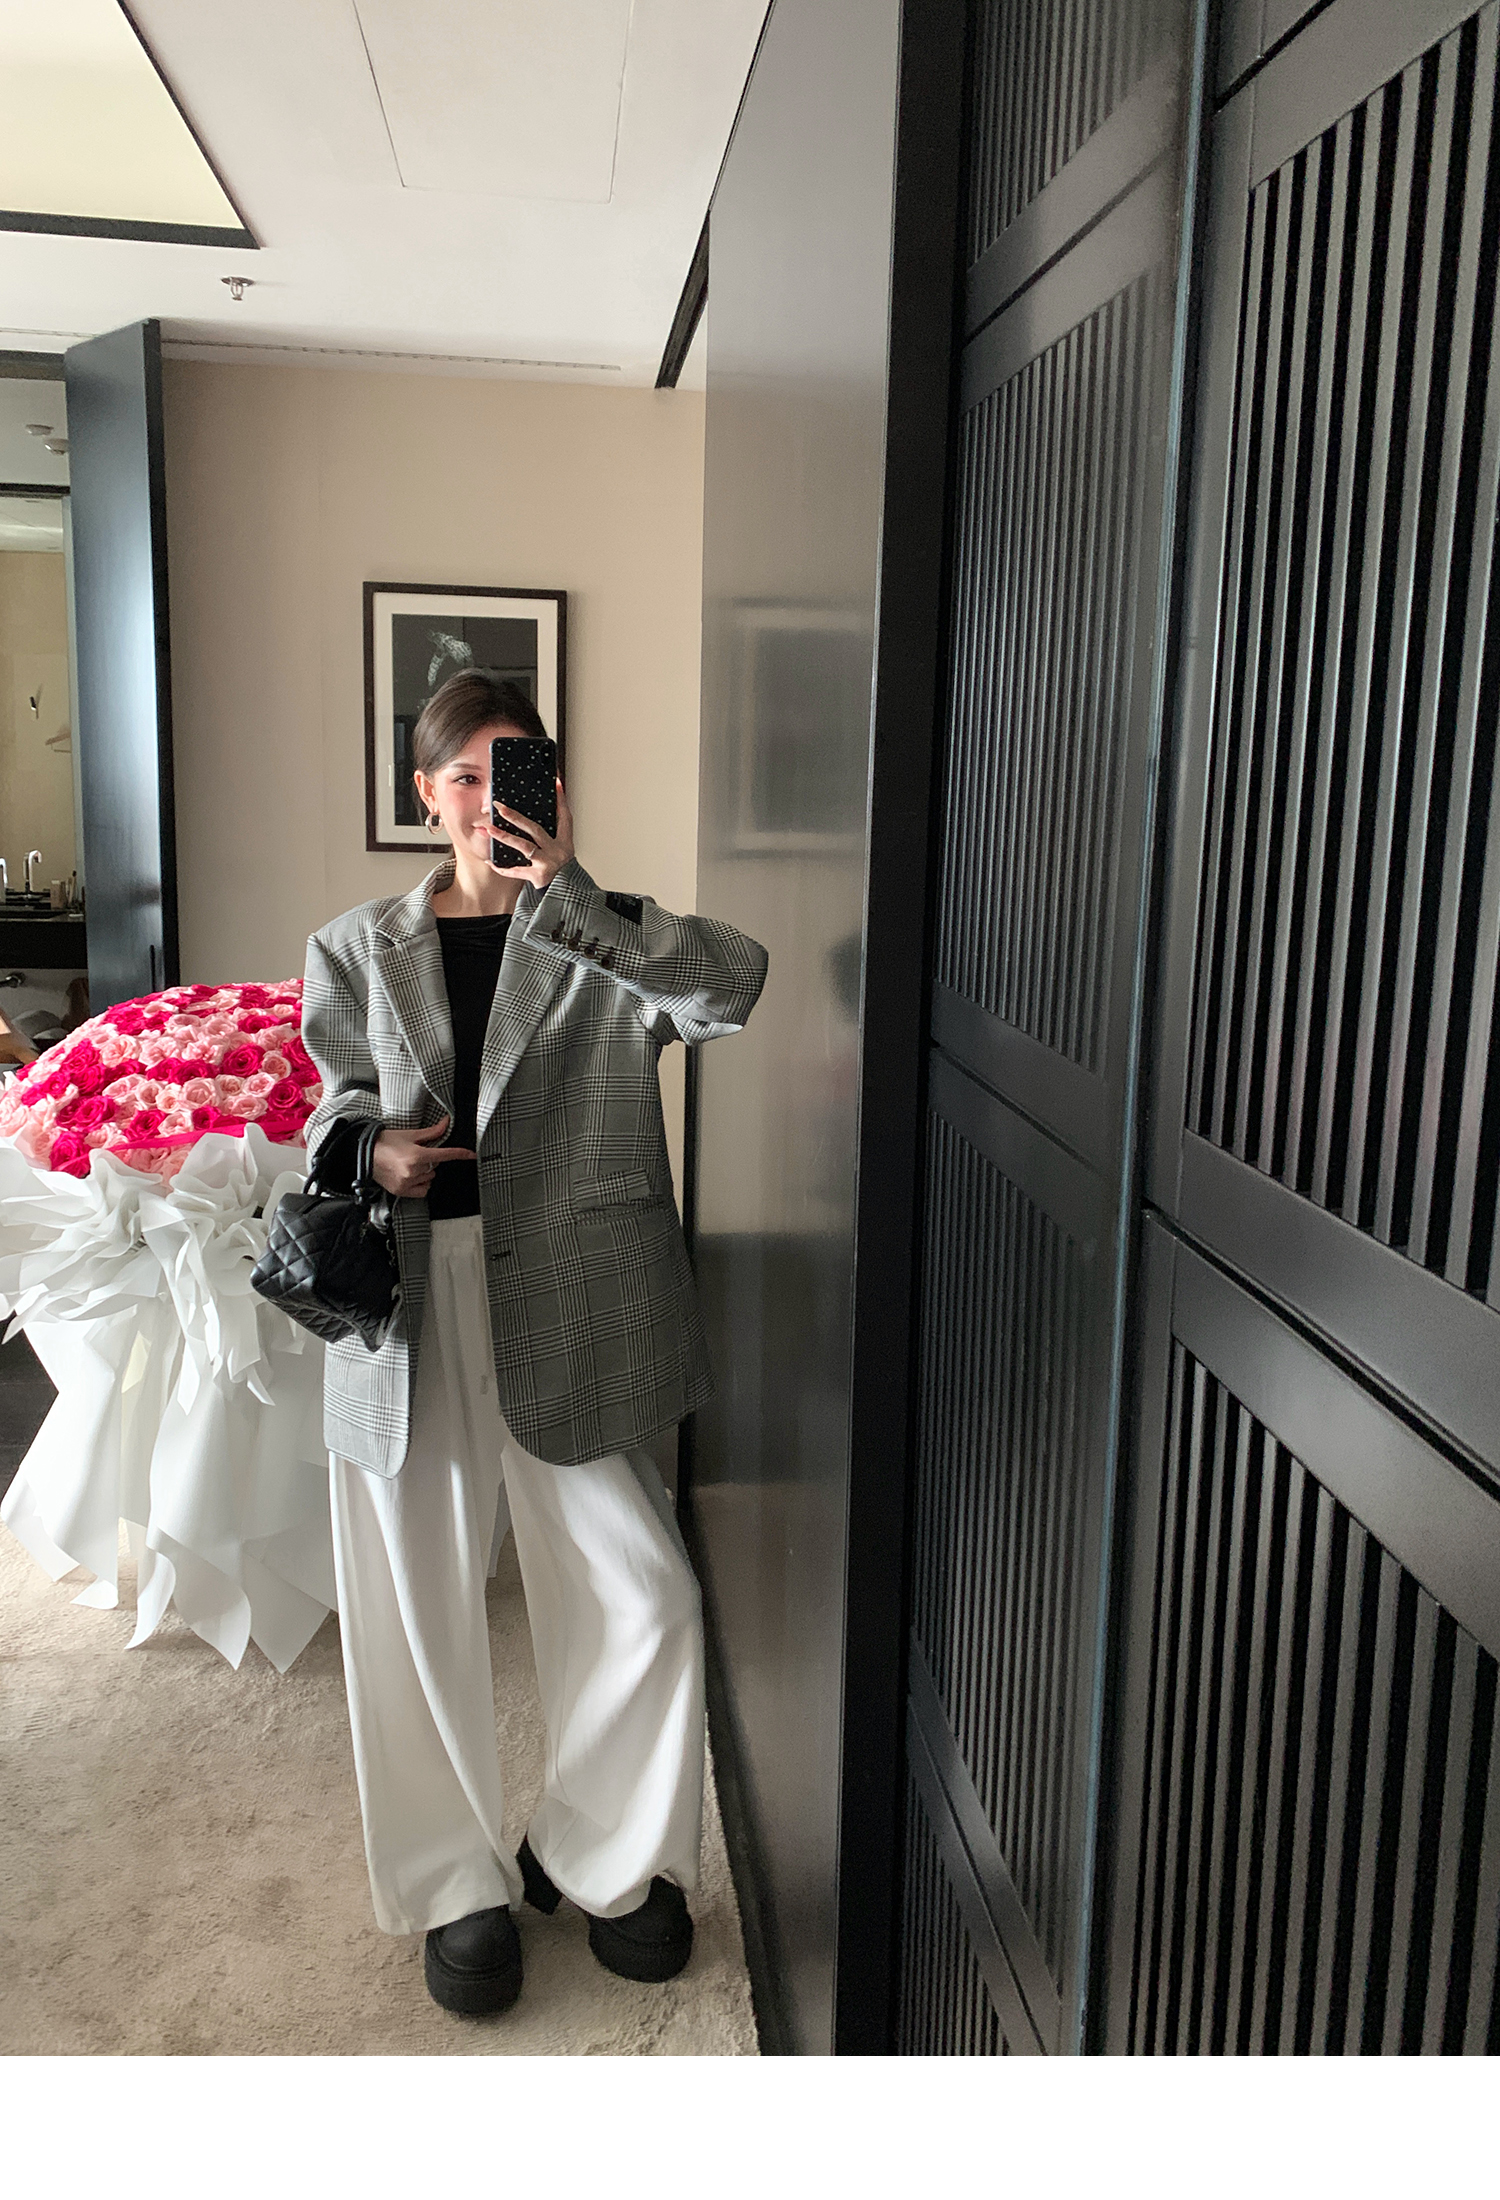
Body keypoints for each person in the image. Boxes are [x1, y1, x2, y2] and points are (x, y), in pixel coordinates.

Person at [300, 669, 767, 2016]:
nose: (485, 800)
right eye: (464, 775)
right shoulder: (355, 946)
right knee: (414, 1599)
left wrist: (572, 889)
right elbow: (325, 1109)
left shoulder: (596, 932)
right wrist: (372, 1150)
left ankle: (601, 1855)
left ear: (549, 790)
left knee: (647, 1591)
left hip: (575, 1297)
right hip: (410, 1301)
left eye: (514, 774)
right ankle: (454, 1884)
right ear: (423, 792)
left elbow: (731, 988)